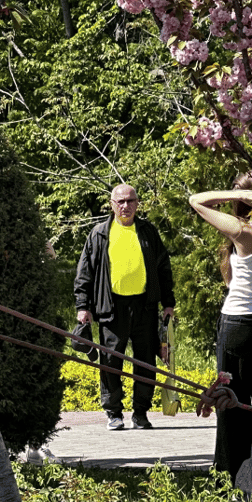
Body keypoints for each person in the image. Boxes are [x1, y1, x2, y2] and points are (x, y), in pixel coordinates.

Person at [189, 174, 252, 502]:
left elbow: (195, 200)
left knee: (229, 402)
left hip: (239, 325)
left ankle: (231, 487)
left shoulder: (243, 231)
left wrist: (237, 194)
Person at [74, 183, 175, 431]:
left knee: (145, 362)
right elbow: (84, 272)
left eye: (130, 201)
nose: (125, 206)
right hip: (111, 306)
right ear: (112, 205)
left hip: (145, 306)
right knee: (110, 361)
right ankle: (114, 414)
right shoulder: (99, 233)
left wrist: (168, 303)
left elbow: (163, 268)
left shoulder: (149, 232)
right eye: (120, 201)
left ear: (137, 204)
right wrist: (82, 306)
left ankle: (140, 413)